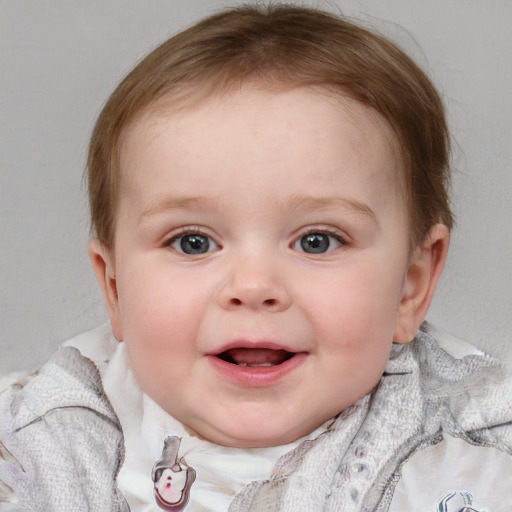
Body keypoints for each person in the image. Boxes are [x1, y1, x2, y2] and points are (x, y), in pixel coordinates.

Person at [1, 4, 511, 511]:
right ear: (115, 288)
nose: (253, 285)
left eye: (317, 241)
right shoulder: (49, 437)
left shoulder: (470, 458)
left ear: (410, 285)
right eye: (192, 242)